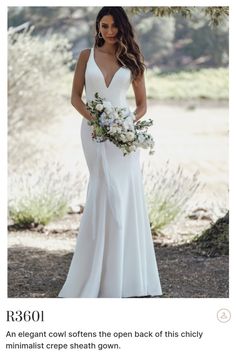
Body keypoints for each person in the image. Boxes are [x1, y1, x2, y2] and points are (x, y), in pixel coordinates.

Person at [58, 7, 162, 298]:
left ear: (122, 27)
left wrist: (126, 122)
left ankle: (125, 276)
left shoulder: (133, 61)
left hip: (124, 136)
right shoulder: (85, 56)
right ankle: (96, 274)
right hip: (93, 132)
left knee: (123, 192)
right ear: (98, 27)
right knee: (103, 188)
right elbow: (75, 98)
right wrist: (98, 122)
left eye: (115, 26)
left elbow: (142, 106)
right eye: (104, 26)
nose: (109, 31)